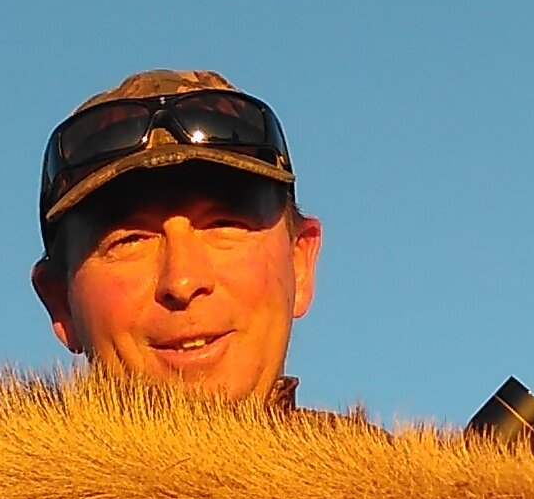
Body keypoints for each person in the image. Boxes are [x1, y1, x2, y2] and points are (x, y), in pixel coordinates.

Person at [30, 71, 323, 409]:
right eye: (130, 241)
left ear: (299, 263)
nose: (182, 281)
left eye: (224, 225)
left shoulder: (389, 461)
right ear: (60, 301)